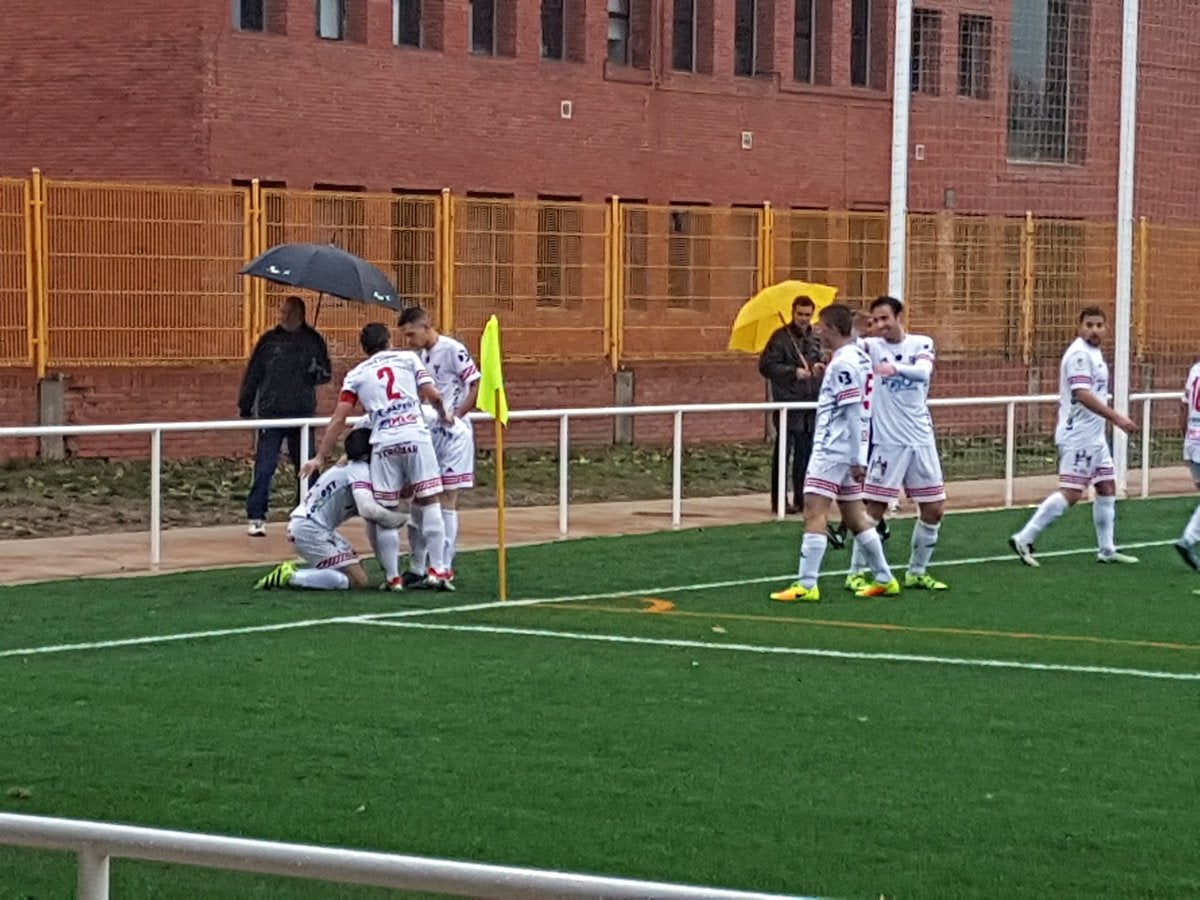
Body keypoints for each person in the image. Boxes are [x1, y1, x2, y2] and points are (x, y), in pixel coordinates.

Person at [301, 323, 455, 591]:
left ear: (364, 348)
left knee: (387, 509)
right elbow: (433, 395)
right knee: (430, 500)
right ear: (388, 340)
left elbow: (339, 418)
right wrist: (444, 414)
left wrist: (320, 457)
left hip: (383, 443)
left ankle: (393, 579)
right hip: (415, 435)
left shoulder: (356, 374)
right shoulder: (408, 359)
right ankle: (438, 570)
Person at [769, 303, 899, 603]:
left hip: (834, 448)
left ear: (833, 329)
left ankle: (807, 583)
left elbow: (851, 410)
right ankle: (884, 577)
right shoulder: (857, 357)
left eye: (822, 326)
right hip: (848, 446)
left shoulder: (845, 363)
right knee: (854, 516)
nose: (818, 331)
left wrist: (857, 458)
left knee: (814, 510)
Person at [1009, 307, 1139, 566]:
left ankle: (1106, 549)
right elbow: (1082, 394)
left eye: (1099, 325)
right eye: (1089, 325)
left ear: (1106, 328)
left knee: (1106, 486)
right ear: (1079, 327)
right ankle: (1024, 537)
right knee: (1071, 491)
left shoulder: (1094, 353)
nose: (1094, 330)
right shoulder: (1079, 354)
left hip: (1094, 436)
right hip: (1078, 435)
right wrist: (1117, 418)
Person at [848, 296, 948, 592]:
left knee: (934, 509)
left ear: (898, 317)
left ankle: (917, 572)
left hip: (921, 439)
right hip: (888, 442)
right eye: (875, 320)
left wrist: (896, 369)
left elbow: (923, 372)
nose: (880, 325)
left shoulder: (921, 343)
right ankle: (856, 572)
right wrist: (855, 328)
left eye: (885, 319)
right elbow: (846, 350)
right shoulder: (870, 347)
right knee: (874, 509)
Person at [254, 429, 409, 591]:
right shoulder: (359, 470)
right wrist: (403, 519)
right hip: (310, 529)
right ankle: (291, 576)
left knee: (356, 573)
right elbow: (368, 509)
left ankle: (309, 574)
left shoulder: (349, 467)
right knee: (357, 581)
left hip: (313, 526)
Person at [398, 306, 482, 588]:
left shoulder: (452, 349)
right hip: (430, 433)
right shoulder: (420, 357)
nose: (409, 341)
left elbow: (476, 384)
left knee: (446, 497)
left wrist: (457, 415)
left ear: (426, 327)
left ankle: (444, 566)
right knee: (420, 498)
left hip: (453, 436)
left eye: (411, 334)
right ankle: (418, 566)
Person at [239, 295, 331, 537]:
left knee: (306, 467)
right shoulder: (269, 341)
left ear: (300, 315)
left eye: (289, 313)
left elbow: (326, 373)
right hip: (272, 412)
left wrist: (316, 371)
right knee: (265, 466)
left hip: (302, 413)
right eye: (282, 312)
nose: (284, 316)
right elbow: (253, 373)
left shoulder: (313, 341)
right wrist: (245, 404)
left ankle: (307, 513)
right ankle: (256, 516)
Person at [758, 295, 824, 514]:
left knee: (806, 454)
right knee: (783, 453)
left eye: (808, 315)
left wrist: (819, 367)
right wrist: (793, 372)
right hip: (787, 402)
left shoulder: (815, 338)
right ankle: (779, 500)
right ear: (793, 313)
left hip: (810, 403)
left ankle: (802, 498)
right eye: (800, 314)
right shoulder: (780, 338)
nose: (804, 319)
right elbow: (766, 366)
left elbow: (821, 359)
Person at [1174, 358, 1200, 588]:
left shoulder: (1195, 370)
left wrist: (1186, 439)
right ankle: (1189, 538)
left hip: (1192, 440)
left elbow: (1183, 407)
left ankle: (1189, 538)